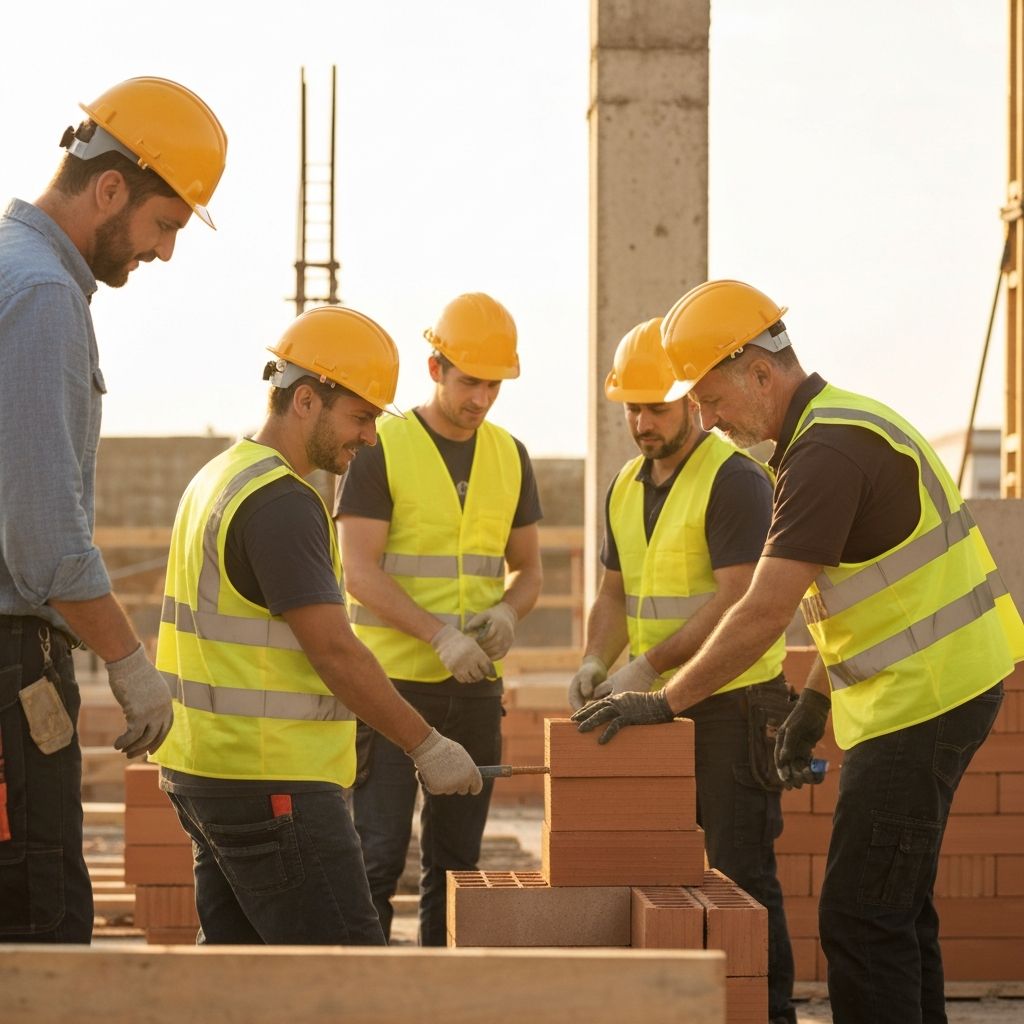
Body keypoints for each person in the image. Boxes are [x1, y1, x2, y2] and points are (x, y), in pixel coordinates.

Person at [573, 280, 1024, 1024]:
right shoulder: (834, 432)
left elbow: (761, 612)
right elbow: (863, 596)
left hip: (926, 700)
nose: (708, 421)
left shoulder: (824, 453)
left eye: (712, 400)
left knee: (860, 917)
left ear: (758, 370)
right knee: (897, 908)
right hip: (935, 689)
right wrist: (813, 701)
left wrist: (662, 700)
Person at [151, 306, 483, 945]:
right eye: (361, 418)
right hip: (273, 786)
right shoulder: (281, 502)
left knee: (240, 979)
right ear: (306, 400)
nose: (371, 438)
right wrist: (426, 745)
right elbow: (334, 649)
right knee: (346, 976)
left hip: (208, 772)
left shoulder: (217, 477)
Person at [0, 77, 228, 944]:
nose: (164, 251)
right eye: (163, 224)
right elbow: (48, 546)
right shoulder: (41, 295)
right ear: (108, 189)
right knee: (40, 934)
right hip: (11, 672)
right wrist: (132, 666)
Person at [567, 316, 796, 1024]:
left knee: (740, 875)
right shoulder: (625, 485)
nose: (642, 422)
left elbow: (736, 597)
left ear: (692, 401)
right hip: (654, 703)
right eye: (631, 408)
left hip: (737, 705)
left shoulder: (734, 480)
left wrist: (648, 665)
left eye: (656, 406)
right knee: (665, 873)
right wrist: (596, 659)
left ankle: (768, 1011)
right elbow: (613, 592)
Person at [336, 291, 543, 945]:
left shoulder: (510, 455)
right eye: (468, 381)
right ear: (434, 369)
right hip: (390, 688)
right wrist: (438, 636)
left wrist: (509, 612)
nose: (480, 398)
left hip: (474, 693)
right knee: (376, 856)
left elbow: (530, 570)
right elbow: (358, 572)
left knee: (458, 869)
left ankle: (439, 997)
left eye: (493, 385)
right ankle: (361, 1000)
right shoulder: (380, 445)